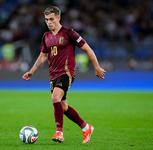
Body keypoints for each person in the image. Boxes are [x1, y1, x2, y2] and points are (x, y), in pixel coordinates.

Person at [22, 6, 106, 143]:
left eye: (51, 19)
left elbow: (88, 49)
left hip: (66, 73)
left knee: (55, 98)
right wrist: (31, 71)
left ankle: (59, 133)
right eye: (46, 20)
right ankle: (86, 128)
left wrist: (97, 67)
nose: (49, 22)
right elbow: (42, 56)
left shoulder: (69, 33)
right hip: (53, 75)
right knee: (64, 107)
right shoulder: (46, 36)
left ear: (58, 18)